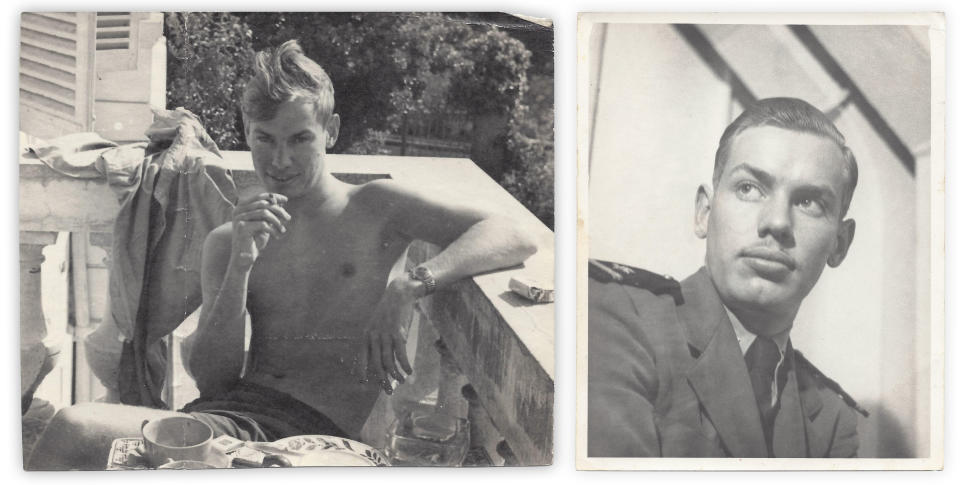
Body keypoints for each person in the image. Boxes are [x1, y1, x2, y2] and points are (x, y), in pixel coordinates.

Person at [28, 40, 537, 470]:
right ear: (247, 135)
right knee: (72, 430)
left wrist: (410, 285)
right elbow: (214, 379)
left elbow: (512, 234)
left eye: (300, 139)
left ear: (331, 131)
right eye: (264, 139)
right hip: (230, 420)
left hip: (319, 438)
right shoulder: (229, 239)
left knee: (96, 436)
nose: (280, 160)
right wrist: (240, 267)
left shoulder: (376, 208)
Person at [588, 97, 866, 458]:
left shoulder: (831, 420)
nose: (777, 222)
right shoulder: (618, 318)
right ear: (704, 212)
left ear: (839, 244)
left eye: (809, 202)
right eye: (749, 188)